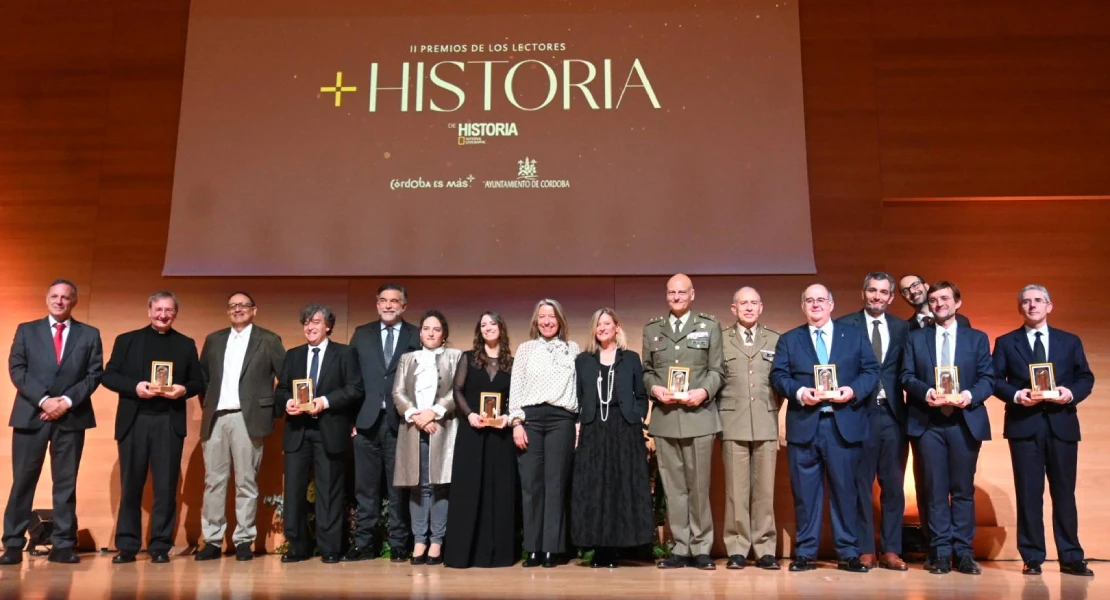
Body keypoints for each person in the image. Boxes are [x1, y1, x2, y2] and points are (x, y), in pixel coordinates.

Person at [770, 284, 879, 573]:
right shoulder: (789, 340)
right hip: (805, 425)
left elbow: (871, 372)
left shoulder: (854, 337)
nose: (815, 305)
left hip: (843, 425)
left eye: (821, 300)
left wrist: (852, 390)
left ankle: (848, 552)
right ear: (802, 307)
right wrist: (799, 392)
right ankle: (805, 553)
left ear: (832, 304)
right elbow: (779, 376)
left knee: (846, 492)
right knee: (805, 494)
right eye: (809, 301)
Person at [992, 285, 1095, 577]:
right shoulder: (1005, 342)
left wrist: (1069, 393)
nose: (1032, 305)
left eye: (1038, 301)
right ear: (1019, 308)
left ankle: (1071, 556)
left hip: (1062, 425)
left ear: (1050, 306)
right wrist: (1016, 395)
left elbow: (1085, 377)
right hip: (1024, 426)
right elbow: (995, 380)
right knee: (1029, 494)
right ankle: (1033, 556)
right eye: (1026, 301)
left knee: (1064, 493)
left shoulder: (1070, 341)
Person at [2, 279, 103, 566]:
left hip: (71, 417)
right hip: (31, 415)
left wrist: (65, 402)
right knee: (23, 481)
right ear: (47, 299)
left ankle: (62, 544)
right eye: (55, 296)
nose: (59, 301)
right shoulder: (26, 330)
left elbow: (93, 375)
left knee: (66, 483)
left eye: (66, 297)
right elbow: (17, 368)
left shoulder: (90, 334)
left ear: (75, 302)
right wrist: (44, 400)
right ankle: (12, 543)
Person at [101, 291, 204, 564]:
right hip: (134, 420)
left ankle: (160, 545)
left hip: (168, 422)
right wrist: (134, 387)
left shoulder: (185, 344)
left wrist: (182, 390)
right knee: (131, 485)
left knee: (166, 486)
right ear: (149, 311)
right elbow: (108, 375)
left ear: (175, 313)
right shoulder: (127, 340)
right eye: (158, 309)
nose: (163, 315)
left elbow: (198, 382)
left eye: (169, 310)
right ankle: (127, 545)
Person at [901, 281, 994, 575]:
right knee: (935, 490)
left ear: (957, 302)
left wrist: (968, 396)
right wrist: (926, 393)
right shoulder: (916, 338)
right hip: (928, 423)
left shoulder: (976, 338)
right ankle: (940, 552)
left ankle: (964, 553)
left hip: (964, 422)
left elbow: (987, 378)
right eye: (934, 300)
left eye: (944, 298)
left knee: (963, 490)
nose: (939, 303)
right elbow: (905, 375)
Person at [194, 292, 285, 562]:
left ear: (254, 310)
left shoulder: (268, 339)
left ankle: (244, 540)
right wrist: (209, 405)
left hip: (250, 420)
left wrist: (271, 411)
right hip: (217, 418)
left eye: (243, 305)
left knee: (247, 482)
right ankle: (211, 540)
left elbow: (286, 377)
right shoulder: (214, 340)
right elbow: (203, 379)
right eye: (232, 306)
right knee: (213, 482)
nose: (237, 310)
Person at [642, 274, 724, 570]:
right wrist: (654, 389)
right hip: (665, 419)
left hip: (699, 417)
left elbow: (717, 371)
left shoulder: (709, 325)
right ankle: (680, 547)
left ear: (692, 295)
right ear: (666, 296)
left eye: (681, 292)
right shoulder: (653, 328)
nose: (676, 297)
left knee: (699, 487)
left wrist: (703, 391)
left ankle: (701, 548)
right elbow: (647, 371)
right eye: (671, 292)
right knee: (674, 488)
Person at [276, 304, 363, 564]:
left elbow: (355, 389)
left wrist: (324, 401)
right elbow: (280, 391)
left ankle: (330, 548)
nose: (310, 327)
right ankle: (297, 546)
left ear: (328, 326)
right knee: (293, 491)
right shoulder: (293, 355)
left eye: (315, 322)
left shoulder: (345, 354)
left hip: (329, 430)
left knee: (329, 492)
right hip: (297, 432)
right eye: (306, 323)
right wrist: (288, 402)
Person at [835, 272, 911, 571]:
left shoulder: (903, 328)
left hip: (893, 415)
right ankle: (864, 547)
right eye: (871, 290)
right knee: (860, 485)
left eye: (883, 292)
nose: (877, 296)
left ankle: (891, 550)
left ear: (891, 297)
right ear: (862, 293)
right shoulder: (844, 326)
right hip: (857, 413)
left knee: (893, 486)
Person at [570, 308, 653, 568]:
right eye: (598, 325)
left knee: (621, 486)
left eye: (607, 323)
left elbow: (641, 395)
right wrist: (578, 424)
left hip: (624, 429)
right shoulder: (584, 360)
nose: (603, 328)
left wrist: (638, 416)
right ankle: (601, 549)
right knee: (595, 487)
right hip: (593, 429)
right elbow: (578, 396)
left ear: (617, 326)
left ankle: (620, 546)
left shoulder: (630, 358)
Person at [346, 283, 422, 562]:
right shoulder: (361, 334)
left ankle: (399, 543)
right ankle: (365, 543)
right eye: (383, 300)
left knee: (398, 488)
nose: (388, 305)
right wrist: (352, 420)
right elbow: (352, 381)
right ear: (377, 304)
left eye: (395, 301)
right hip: (365, 423)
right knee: (365, 488)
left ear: (404, 306)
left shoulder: (417, 335)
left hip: (401, 423)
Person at [443, 311, 519, 568]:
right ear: (479, 331)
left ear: (501, 328)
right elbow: (457, 391)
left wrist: (508, 417)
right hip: (472, 433)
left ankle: (499, 554)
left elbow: (517, 397)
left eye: (492, 323)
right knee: (469, 489)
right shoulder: (468, 358)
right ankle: (464, 554)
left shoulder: (512, 361)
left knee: (499, 491)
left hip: (501, 437)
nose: (488, 328)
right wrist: (470, 414)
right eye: (483, 324)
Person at [509, 299, 580, 568]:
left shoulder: (572, 349)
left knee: (556, 484)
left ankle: (552, 548)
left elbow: (578, 389)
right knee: (531, 485)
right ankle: (533, 549)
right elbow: (516, 389)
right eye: (542, 317)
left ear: (560, 320)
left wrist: (578, 424)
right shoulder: (525, 349)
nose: (547, 321)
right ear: (535, 321)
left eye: (552, 316)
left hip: (562, 420)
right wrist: (516, 422)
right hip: (531, 421)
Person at [718, 286, 782, 570]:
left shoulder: (775, 338)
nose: (748, 307)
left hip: (765, 421)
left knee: (765, 491)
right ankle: (737, 548)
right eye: (743, 303)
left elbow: (778, 385)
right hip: (732, 422)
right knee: (736, 491)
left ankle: (766, 549)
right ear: (734, 309)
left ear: (761, 307)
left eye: (753, 303)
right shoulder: (720, 340)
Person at [392, 310, 463, 566]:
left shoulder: (455, 357)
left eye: (436, 329)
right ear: (420, 332)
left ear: (444, 334)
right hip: (413, 429)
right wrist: (416, 416)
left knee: (439, 485)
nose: (430, 333)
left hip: (442, 428)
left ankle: (437, 542)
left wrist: (433, 413)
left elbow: (458, 391)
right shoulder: (407, 359)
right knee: (417, 486)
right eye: (426, 328)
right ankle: (419, 540)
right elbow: (398, 392)